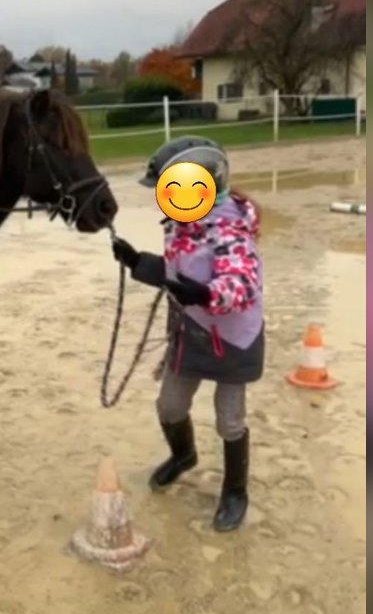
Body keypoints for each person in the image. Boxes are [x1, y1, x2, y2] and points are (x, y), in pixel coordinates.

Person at [111, 136, 264, 531]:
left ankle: (235, 491)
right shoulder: (181, 225)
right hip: (189, 331)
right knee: (170, 406)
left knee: (229, 420)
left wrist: (206, 293)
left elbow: (242, 283)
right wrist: (139, 262)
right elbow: (178, 274)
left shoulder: (230, 228)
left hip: (230, 337)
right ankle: (183, 456)